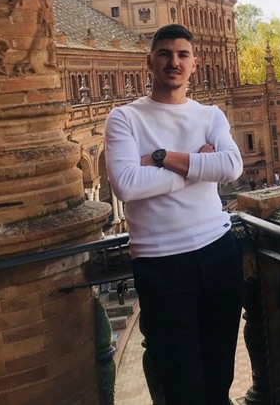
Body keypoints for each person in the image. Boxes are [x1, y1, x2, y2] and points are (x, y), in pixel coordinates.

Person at [104, 24, 244, 404]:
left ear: (194, 64)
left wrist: (163, 159)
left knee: (219, 378)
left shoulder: (211, 114)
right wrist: (197, 165)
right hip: (161, 262)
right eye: (165, 54)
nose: (174, 62)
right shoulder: (124, 119)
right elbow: (128, 184)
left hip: (219, 253)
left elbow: (231, 166)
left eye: (182, 55)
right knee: (181, 386)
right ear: (149, 61)